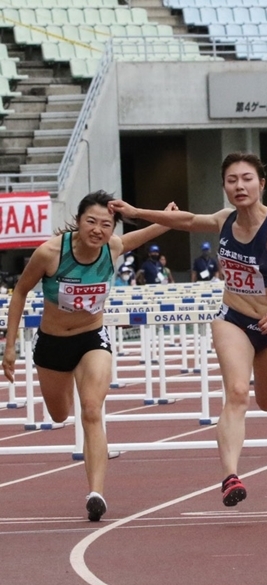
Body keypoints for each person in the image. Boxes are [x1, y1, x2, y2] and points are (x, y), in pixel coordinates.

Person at [108, 152, 267, 507]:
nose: (239, 186)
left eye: (247, 178)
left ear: (261, 184)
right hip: (232, 317)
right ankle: (230, 476)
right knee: (236, 393)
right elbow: (186, 220)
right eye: (232, 180)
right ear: (224, 186)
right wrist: (137, 212)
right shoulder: (223, 221)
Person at [1, 192, 175, 521]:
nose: (98, 230)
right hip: (52, 343)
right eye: (91, 222)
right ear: (79, 221)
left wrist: (165, 216)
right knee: (58, 414)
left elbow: (148, 232)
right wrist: (10, 346)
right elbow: (21, 291)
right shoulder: (51, 253)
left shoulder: (113, 249)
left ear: (113, 229)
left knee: (92, 410)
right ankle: (63, 396)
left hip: (92, 337)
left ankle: (96, 493)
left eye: (106, 225)